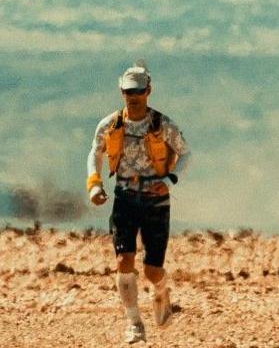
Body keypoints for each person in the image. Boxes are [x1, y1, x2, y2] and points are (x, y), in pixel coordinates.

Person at [86, 60, 191, 344]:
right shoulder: (110, 124)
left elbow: (186, 154)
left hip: (155, 201)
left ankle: (161, 291)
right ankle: (134, 322)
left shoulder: (162, 124)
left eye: (139, 91)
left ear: (148, 90)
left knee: (152, 269)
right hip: (125, 198)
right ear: (121, 92)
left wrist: (169, 180)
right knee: (124, 260)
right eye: (129, 92)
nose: (134, 97)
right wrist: (94, 184)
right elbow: (94, 154)